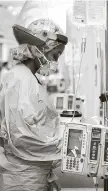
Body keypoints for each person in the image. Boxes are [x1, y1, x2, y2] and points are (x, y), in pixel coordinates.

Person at [0, 8, 68, 191]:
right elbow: (22, 135)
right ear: (40, 50)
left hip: (32, 173)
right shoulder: (19, 80)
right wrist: (64, 145)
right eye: (55, 55)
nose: (55, 62)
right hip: (22, 179)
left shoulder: (29, 78)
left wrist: (49, 174)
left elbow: (35, 125)